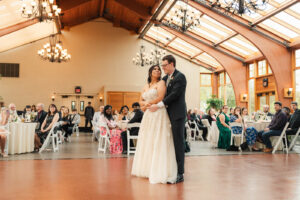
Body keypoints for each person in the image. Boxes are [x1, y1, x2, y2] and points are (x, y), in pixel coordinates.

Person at [134, 54, 187, 184]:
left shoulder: (180, 77)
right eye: (161, 66)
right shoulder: (165, 78)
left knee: (178, 142)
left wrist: (157, 105)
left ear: (172, 64)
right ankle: (165, 168)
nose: (162, 68)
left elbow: (174, 95)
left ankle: (180, 173)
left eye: (164, 65)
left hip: (177, 114)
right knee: (167, 142)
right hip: (165, 114)